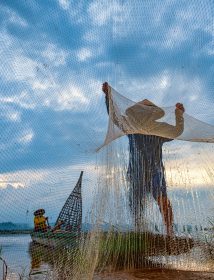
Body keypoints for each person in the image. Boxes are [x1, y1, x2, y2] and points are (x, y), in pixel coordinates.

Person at [102, 82, 185, 235]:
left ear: (153, 114)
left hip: (155, 171)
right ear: (138, 115)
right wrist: (108, 98)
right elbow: (115, 118)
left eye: (147, 112)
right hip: (136, 172)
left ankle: (169, 232)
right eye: (142, 112)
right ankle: (141, 232)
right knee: (136, 205)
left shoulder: (159, 130)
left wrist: (179, 115)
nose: (144, 114)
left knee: (162, 201)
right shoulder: (132, 127)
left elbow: (176, 132)